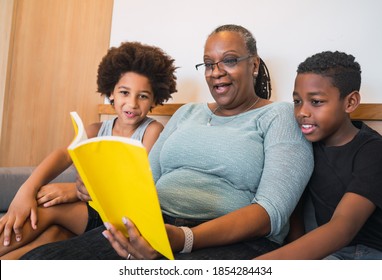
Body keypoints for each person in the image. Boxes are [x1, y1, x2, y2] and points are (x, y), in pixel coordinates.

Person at [20, 24, 313, 260]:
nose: (217, 71)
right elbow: (145, 181)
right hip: (153, 227)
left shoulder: (280, 116)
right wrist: (95, 190)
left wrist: (182, 239)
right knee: (39, 261)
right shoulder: (188, 113)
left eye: (230, 60)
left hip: (228, 240)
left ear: (254, 65)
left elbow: (270, 212)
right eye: (209, 64)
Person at [0, 41, 177, 259]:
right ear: (111, 93)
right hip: (87, 212)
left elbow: (136, 183)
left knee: (48, 207)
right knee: (53, 234)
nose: (131, 103)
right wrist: (26, 190)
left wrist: (73, 191)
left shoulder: (152, 131)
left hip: (117, 216)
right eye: (124, 92)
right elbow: (64, 154)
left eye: (142, 96)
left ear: (154, 99)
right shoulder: (96, 129)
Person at [256, 51, 382, 260]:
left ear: (350, 102)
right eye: (297, 101)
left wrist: (264, 265)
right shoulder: (304, 143)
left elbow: (343, 226)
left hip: (373, 252)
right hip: (330, 250)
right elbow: (295, 204)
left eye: (316, 102)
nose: (302, 112)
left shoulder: (376, 152)